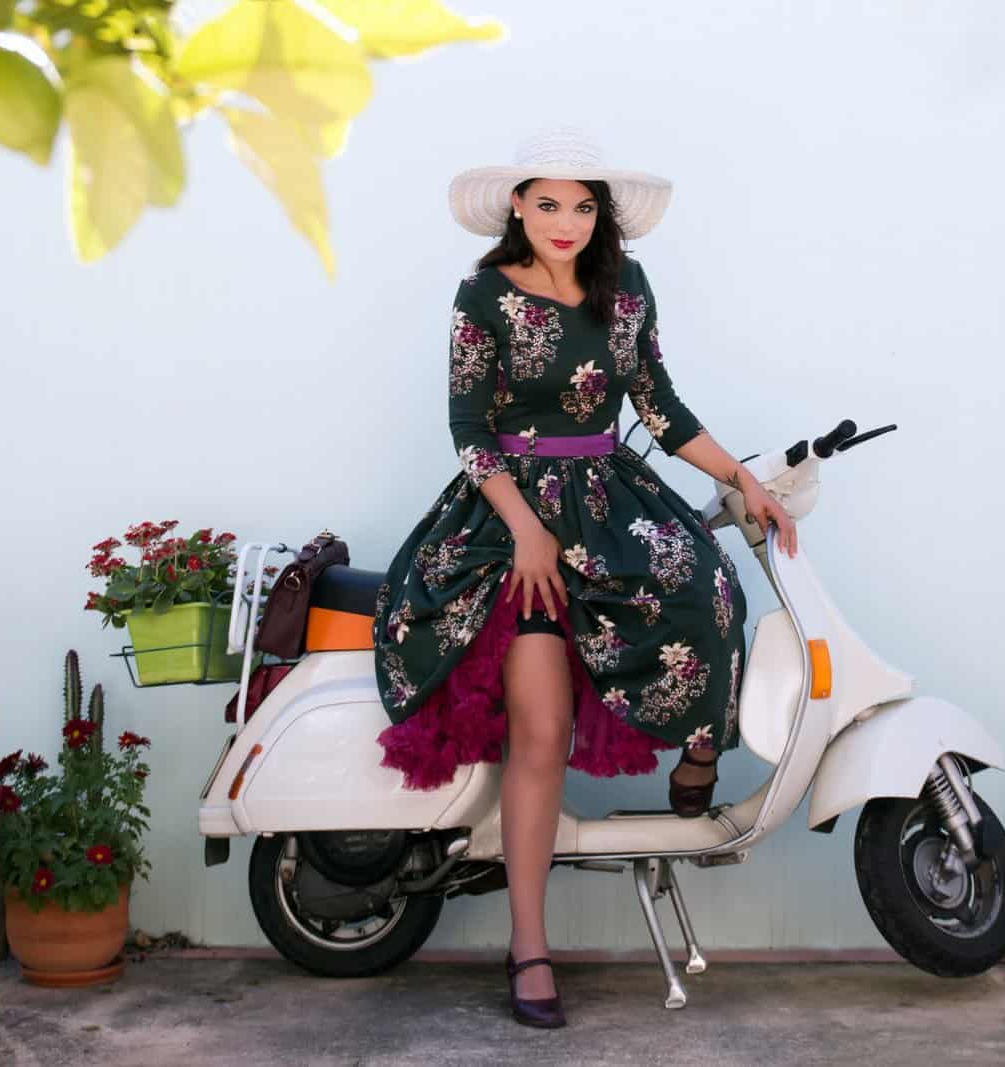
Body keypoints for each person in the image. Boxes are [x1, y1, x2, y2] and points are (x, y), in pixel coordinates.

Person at [371, 127, 797, 1028]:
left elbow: (660, 405)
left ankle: (702, 749)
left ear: (600, 215)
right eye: (549, 201)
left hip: (608, 497)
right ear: (517, 206)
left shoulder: (624, 288)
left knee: (712, 586)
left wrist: (741, 480)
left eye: (583, 204)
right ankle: (529, 946)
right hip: (505, 518)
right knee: (541, 731)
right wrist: (524, 527)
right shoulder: (482, 293)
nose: (566, 221)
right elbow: (468, 426)